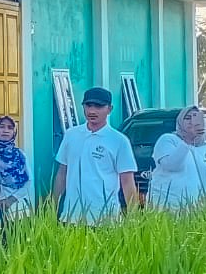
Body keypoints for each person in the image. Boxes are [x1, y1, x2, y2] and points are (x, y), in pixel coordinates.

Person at [52, 87, 140, 224]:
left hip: (105, 220)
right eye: (88, 105)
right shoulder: (71, 135)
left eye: (98, 106)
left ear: (109, 109)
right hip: (71, 218)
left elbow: (127, 181)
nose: (92, 111)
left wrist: (134, 218)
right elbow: (62, 174)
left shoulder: (119, 141)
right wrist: (52, 208)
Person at [148, 106, 206, 211]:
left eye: (196, 118)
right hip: (166, 210)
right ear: (180, 121)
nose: (192, 122)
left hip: (198, 212)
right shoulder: (168, 140)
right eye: (187, 118)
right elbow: (171, 165)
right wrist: (187, 142)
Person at [0, 115, 32, 222]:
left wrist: (10, 200)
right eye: (1, 126)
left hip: (17, 209)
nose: (6, 130)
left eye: (10, 127)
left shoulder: (19, 155)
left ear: (14, 132)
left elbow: (28, 182)